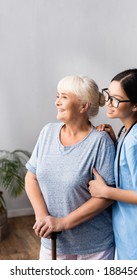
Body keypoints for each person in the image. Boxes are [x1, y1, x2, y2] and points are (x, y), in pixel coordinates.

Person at [25, 75, 115, 260]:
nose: (57, 102)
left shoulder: (100, 142)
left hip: (94, 247)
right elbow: (31, 177)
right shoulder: (47, 132)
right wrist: (42, 218)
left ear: (83, 106)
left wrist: (63, 223)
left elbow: (107, 196)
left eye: (64, 97)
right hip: (52, 241)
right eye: (58, 96)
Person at [88, 68, 137, 260]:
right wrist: (116, 141)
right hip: (129, 232)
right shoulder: (128, 130)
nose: (108, 102)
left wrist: (105, 191)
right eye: (108, 94)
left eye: (116, 99)